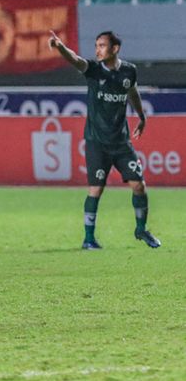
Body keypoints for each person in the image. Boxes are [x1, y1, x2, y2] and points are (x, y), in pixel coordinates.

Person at [49, 30, 161, 249]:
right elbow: (76, 59)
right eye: (96, 45)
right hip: (96, 142)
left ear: (115, 49)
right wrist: (61, 47)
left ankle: (141, 230)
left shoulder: (129, 71)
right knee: (96, 189)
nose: (97, 50)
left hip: (121, 142)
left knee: (139, 185)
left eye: (102, 45)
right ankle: (88, 239)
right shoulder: (93, 70)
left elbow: (132, 92)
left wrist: (141, 116)